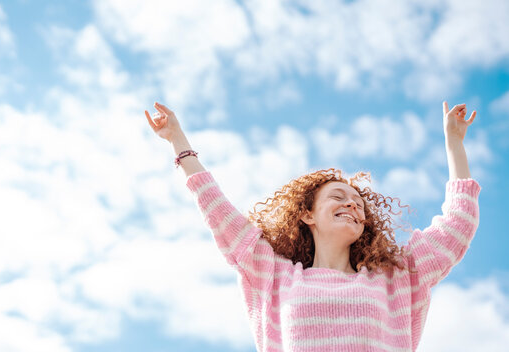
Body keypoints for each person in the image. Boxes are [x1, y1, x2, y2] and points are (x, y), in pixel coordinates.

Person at [144, 101, 480, 352]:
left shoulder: (398, 278)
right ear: (307, 215)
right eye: (338, 197)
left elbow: (457, 225)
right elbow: (218, 211)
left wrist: (454, 143)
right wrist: (179, 143)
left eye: (358, 204)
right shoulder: (273, 277)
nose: (352, 204)